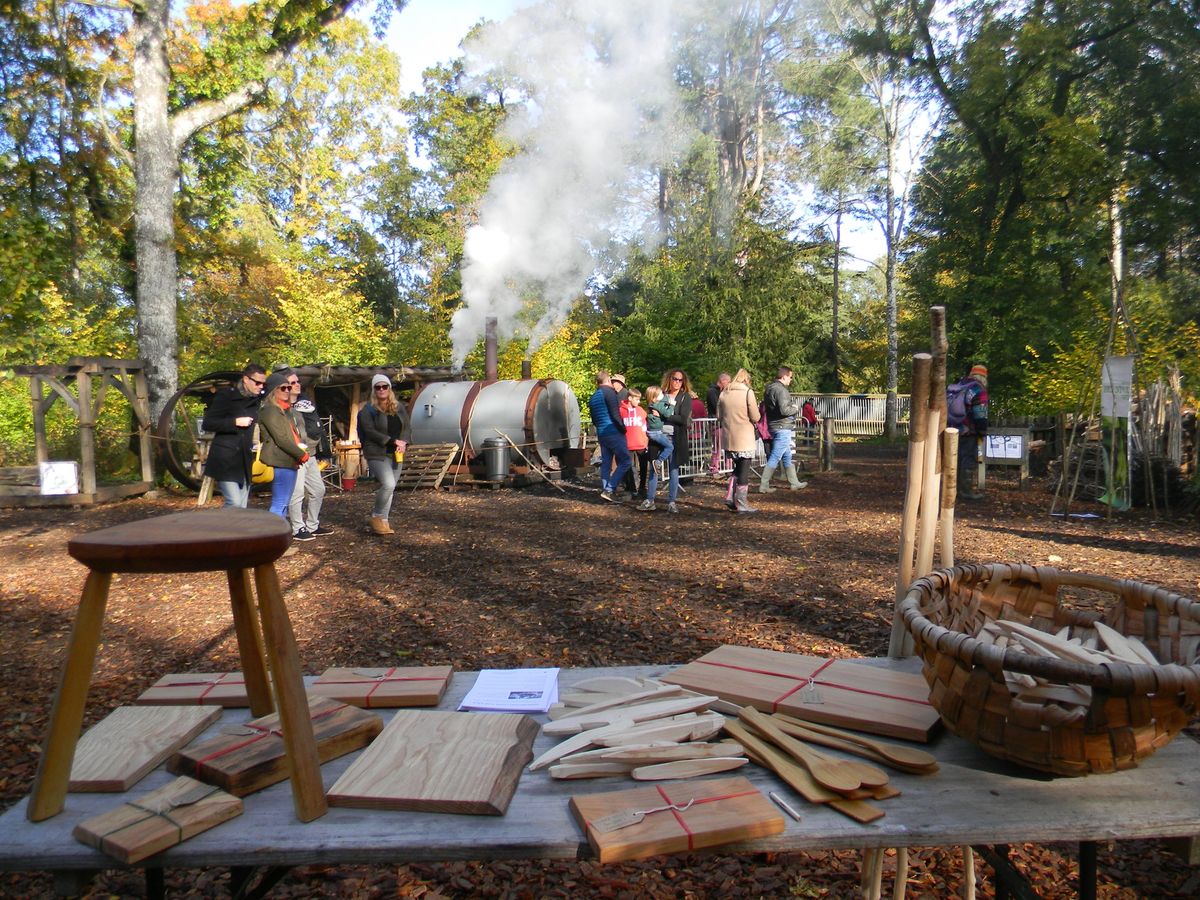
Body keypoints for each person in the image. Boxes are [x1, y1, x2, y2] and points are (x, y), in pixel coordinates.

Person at [202, 364, 265, 508]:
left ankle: (233, 530)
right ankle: (221, 529)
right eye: (257, 382)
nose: (261, 386)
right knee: (234, 503)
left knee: (241, 506)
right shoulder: (226, 396)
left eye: (263, 383)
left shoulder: (256, 401)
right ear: (245, 380)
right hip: (225, 459)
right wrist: (234, 422)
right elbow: (208, 423)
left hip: (244, 459)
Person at [358, 373, 411, 535]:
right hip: (376, 452)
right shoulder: (368, 410)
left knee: (390, 488)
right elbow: (370, 431)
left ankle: (384, 522)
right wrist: (392, 441)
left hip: (396, 453)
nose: (381, 390)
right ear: (374, 390)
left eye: (384, 386)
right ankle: (376, 515)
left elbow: (407, 427)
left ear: (389, 388)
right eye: (378, 387)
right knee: (388, 484)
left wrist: (403, 442)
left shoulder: (399, 407)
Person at [282, 371, 331, 540]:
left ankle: (312, 525)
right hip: (295, 456)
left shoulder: (306, 404)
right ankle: (297, 528)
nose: (297, 384)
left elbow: (318, 429)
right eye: (292, 382)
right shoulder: (282, 408)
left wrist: (325, 452)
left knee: (318, 489)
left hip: (310, 455)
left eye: (297, 381)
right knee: (297, 492)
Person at [256, 371, 309, 520]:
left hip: (287, 460)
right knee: (279, 503)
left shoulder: (283, 410)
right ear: (273, 390)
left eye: (288, 388)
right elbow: (282, 439)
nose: (287, 391)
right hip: (280, 460)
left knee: (283, 503)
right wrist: (301, 454)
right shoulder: (270, 410)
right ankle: (271, 537)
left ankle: (277, 536)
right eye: (283, 388)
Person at [717, 368, 761, 513]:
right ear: (746, 380)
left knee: (737, 468)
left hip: (729, 437)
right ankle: (741, 502)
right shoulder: (748, 392)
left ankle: (730, 496)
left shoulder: (724, 392)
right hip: (744, 437)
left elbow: (719, 415)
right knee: (744, 471)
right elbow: (755, 416)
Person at [761, 366, 807, 493]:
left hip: (773, 426)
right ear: (784, 376)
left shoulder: (769, 389)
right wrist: (796, 407)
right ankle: (764, 485)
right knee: (776, 456)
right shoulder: (782, 391)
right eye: (790, 377)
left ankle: (794, 482)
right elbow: (784, 410)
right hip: (783, 427)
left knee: (786, 455)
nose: (791, 380)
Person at [587, 371, 630, 503]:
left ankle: (606, 491)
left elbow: (594, 419)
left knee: (606, 463)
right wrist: (623, 429)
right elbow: (615, 414)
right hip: (613, 431)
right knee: (626, 461)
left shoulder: (594, 396)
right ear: (608, 381)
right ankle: (610, 489)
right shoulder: (609, 392)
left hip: (601, 433)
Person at [948, 364, 989, 500]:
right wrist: (982, 431)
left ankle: (950, 490)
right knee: (967, 461)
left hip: (950, 429)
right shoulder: (978, 389)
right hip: (968, 431)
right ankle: (965, 492)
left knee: (953, 460)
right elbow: (980, 413)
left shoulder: (959, 385)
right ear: (983, 377)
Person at [658, 368, 694, 514]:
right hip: (659, 434)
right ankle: (649, 499)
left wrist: (665, 415)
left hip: (676, 436)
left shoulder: (685, 397)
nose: (677, 382)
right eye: (675, 379)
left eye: (680, 380)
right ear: (669, 379)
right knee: (655, 467)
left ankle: (672, 501)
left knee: (674, 468)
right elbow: (653, 411)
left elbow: (683, 419)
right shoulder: (661, 395)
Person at [620, 387, 649, 502]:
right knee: (629, 467)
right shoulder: (621, 411)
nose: (638, 402)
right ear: (630, 398)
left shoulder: (641, 410)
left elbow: (644, 426)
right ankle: (631, 489)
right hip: (628, 444)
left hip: (641, 443)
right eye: (636, 399)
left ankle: (642, 487)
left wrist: (645, 440)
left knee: (643, 467)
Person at [643, 384, 675, 480]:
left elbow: (664, 400)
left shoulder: (654, 404)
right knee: (670, 447)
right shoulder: (657, 405)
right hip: (656, 433)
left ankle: (657, 462)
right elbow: (668, 414)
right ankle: (658, 461)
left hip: (653, 432)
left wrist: (667, 398)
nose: (662, 395)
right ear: (654, 398)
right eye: (660, 394)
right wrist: (672, 405)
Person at [706, 372, 731, 476]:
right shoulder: (712, 392)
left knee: (726, 446)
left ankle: (728, 468)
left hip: (723, 423)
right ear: (723, 381)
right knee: (718, 446)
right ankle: (714, 467)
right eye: (728, 382)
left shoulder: (721, 392)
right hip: (716, 423)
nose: (729, 384)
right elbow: (717, 406)